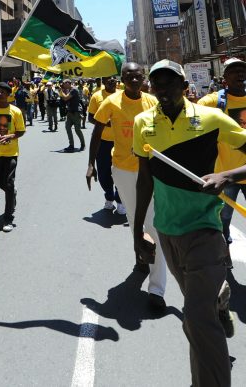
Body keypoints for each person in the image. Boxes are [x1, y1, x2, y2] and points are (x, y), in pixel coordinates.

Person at [133, 59, 246, 387]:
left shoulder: (210, 118)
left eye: (171, 83)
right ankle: (220, 294)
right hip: (167, 232)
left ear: (185, 87)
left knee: (196, 320)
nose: (163, 89)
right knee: (202, 313)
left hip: (205, 230)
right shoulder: (143, 123)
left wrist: (226, 174)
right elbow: (144, 180)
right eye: (157, 84)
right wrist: (139, 230)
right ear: (150, 89)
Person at [90, 62, 167, 309]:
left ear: (143, 78)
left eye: (138, 76)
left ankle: (157, 289)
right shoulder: (110, 102)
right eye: (129, 77)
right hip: (122, 170)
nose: (134, 80)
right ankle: (141, 255)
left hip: (151, 171)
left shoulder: (152, 102)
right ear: (122, 78)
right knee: (135, 221)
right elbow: (97, 130)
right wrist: (90, 163)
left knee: (153, 224)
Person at [196, 58, 246, 246]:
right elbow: (191, 115)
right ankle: (224, 247)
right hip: (225, 175)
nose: (240, 73)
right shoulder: (213, 102)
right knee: (223, 219)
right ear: (224, 77)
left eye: (242, 70)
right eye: (234, 70)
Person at [0, 82, 25, 232]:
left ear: (9, 94)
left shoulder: (15, 111)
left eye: (3, 92)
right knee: (0, 182)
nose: (0, 94)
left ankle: (8, 218)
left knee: (8, 184)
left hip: (11, 153)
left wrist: (10, 135)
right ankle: (12, 193)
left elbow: (21, 131)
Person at [85, 76, 122, 213]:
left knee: (120, 172)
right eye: (108, 78)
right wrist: (104, 123)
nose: (112, 80)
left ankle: (120, 199)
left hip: (120, 141)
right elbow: (90, 117)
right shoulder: (96, 96)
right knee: (103, 173)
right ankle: (109, 197)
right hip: (102, 142)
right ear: (103, 81)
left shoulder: (122, 94)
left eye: (114, 78)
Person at [60, 79, 85, 152]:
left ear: (68, 83)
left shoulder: (74, 90)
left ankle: (82, 144)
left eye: (64, 84)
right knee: (68, 128)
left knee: (77, 130)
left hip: (76, 113)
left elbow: (65, 98)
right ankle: (71, 145)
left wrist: (60, 91)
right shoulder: (69, 90)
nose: (63, 85)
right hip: (70, 112)